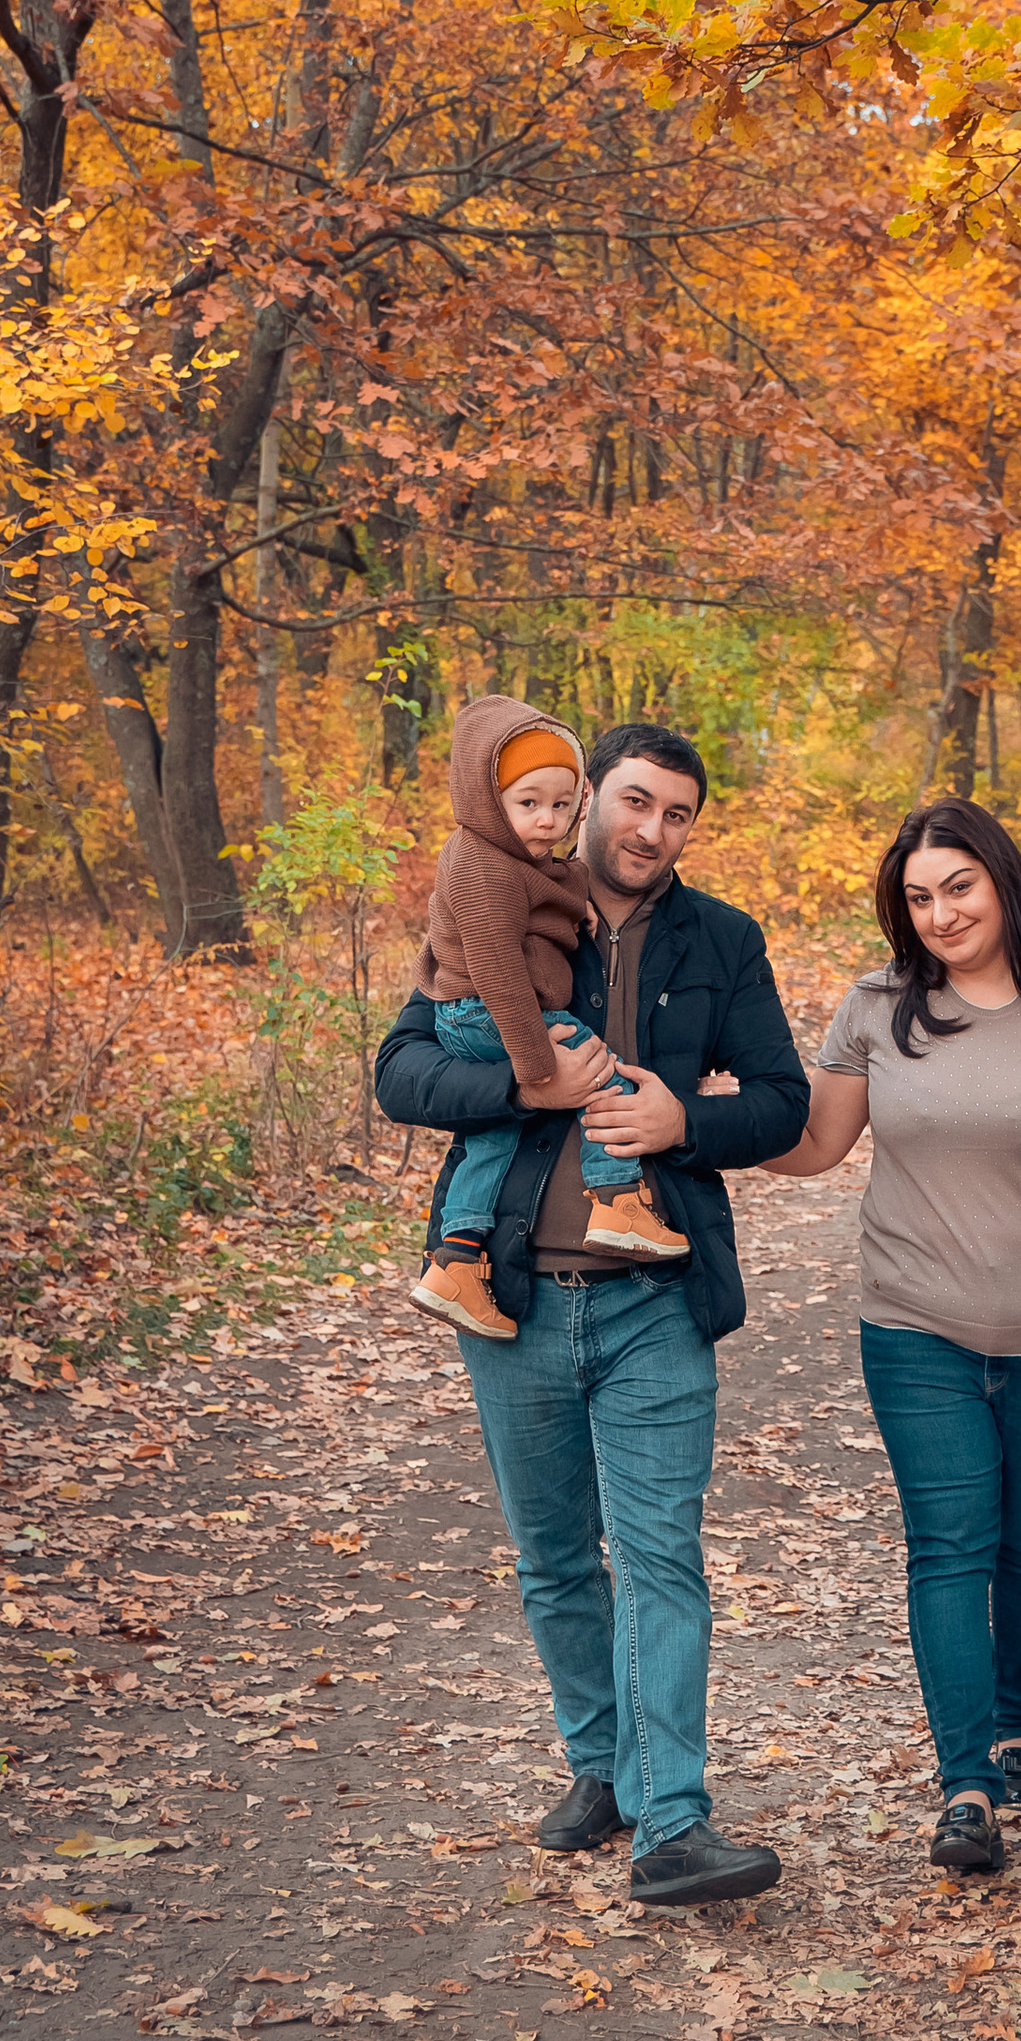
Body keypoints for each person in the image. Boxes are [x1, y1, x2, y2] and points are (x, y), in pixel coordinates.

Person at [374, 717, 809, 1908]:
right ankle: (601, 1770)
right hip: (512, 1297)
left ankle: (674, 1821)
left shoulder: (723, 941)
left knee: (660, 1556)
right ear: (588, 799)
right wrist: (524, 1083)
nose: (650, 831)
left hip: (655, 1299)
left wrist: (686, 1123)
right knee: (557, 1560)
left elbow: (778, 1101)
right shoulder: (502, 892)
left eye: (677, 814)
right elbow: (399, 1073)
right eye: (633, 802)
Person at [768, 797, 1021, 1880]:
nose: (938, 914)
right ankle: (967, 1787)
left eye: (957, 887)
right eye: (917, 898)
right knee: (948, 1543)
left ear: (1001, 880)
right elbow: (811, 1144)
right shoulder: (879, 1006)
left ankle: (1019, 1730)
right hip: (913, 1324)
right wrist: (695, 1122)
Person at [410, 697, 689, 1341]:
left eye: (562, 806)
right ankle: (617, 1200)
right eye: (529, 803)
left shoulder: (516, 859)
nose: (547, 820)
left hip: (477, 1015)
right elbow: (501, 971)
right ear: (489, 798)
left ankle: (456, 1259)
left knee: (491, 1140)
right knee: (599, 1073)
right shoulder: (478, 862)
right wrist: (536, 1069)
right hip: (489, 1013)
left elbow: (545, 887)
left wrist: (574, 907)